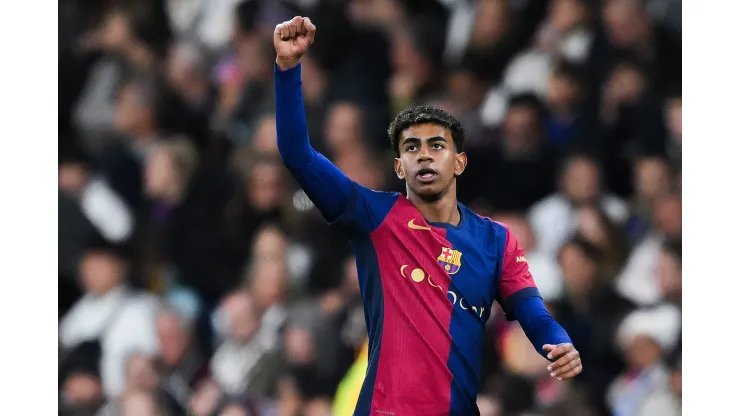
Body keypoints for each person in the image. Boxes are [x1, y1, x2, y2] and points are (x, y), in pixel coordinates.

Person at [273, 16, 582, 416]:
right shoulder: (375, 217)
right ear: (400, 167)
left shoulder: (496, 241)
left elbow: (535, 316)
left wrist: (560, 343)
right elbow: (298, 155)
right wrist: (287, 69)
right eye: (412, 147)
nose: (423, 154)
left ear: (460, 162)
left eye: (437, 145)